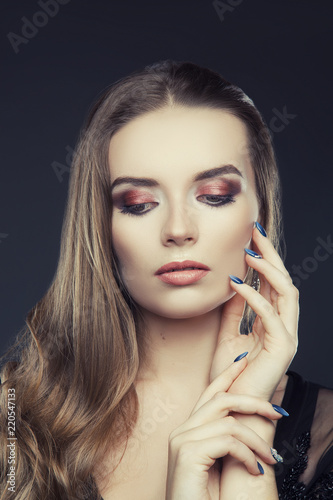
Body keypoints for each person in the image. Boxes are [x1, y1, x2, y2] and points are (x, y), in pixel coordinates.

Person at [1, 60, 332, 500]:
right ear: (101, 226)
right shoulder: (12, 416)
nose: (178, 228)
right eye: (138, 203)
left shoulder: (327, 432)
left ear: (260, 210)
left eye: (214, 196)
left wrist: (244, 468)